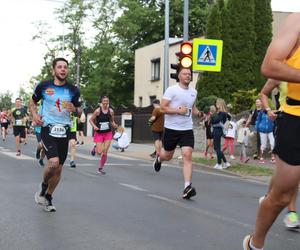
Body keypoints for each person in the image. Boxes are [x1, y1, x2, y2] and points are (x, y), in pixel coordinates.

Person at [243, 13, 300, 250]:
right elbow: (269, 65)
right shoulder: (297, 21)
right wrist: (267, 109)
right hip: (296, 118)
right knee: (282, 197)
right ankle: (255, 243)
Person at [30, 58, 81, 212]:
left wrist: (75, 109)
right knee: (53, 162)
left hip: (64, 130)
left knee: (58, 169)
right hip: (48, 128)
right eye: (59, 67)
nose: (63, 69)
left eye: (65, 67)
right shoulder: (44, 86)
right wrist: (34, 115)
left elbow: (79, 111)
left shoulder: (73, 90)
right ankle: (43, 186)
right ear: (54, 70)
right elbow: (32, 102)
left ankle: (48, 197)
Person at [152, 67, 203, 199]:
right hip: (171, 129)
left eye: (189, 74)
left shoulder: (193, 92)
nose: (187, 75)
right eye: (184, 73)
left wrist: (199, 113)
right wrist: (177, 111)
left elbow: (192, 106)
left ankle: (187, 187)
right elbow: (162, 108)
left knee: (187, 155)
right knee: (168, 156)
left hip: (186, 129)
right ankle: (159, 158)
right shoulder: (172, 90)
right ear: (179, 76)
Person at [259, 78, 299, 230]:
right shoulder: (282, 73)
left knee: (285, 171)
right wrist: (269, 110)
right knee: (294, 168)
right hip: (288, 121)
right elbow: (263, 93)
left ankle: (269, 196)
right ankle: (291, 212)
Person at [89, 96, 118, 174]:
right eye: (104, 101)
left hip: (108, 133)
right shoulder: (98, 111)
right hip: (99, 134)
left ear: (108, 102)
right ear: (101, 102)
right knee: (99, 152)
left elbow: (112, 121)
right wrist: (94, 126)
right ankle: (95, 148)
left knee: (105, 151)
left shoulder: (111, 111)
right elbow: (91, 120)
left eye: (107, 101)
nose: (105, 102)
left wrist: (114, 125)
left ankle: (100, 168)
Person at [211, 98, 231, 170]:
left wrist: (212, 119)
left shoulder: (222, 113)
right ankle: (224, 163)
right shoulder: (220, 113)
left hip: (218, 130)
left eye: (216, 103)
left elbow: (216, 120)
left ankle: (220, 164)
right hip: (216, 130)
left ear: (220, 104)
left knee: (217, 148)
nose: (215, 105)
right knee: (216, 148)